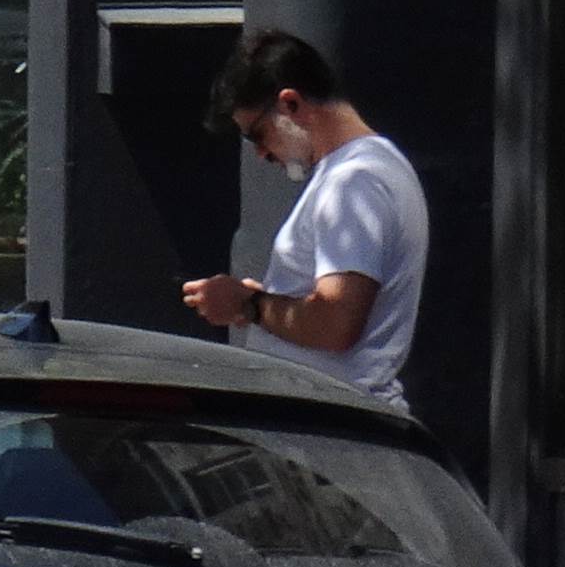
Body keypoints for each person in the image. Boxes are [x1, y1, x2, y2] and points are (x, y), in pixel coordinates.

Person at [181, 28, 428, 412]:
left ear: (291, 104)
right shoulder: (370, 169)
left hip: (336, 424)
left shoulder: (354, 183)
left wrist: (250, 305)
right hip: (337, 420)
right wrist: (267, 302)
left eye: (256, 134)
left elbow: (336, 322)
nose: (261, 153)